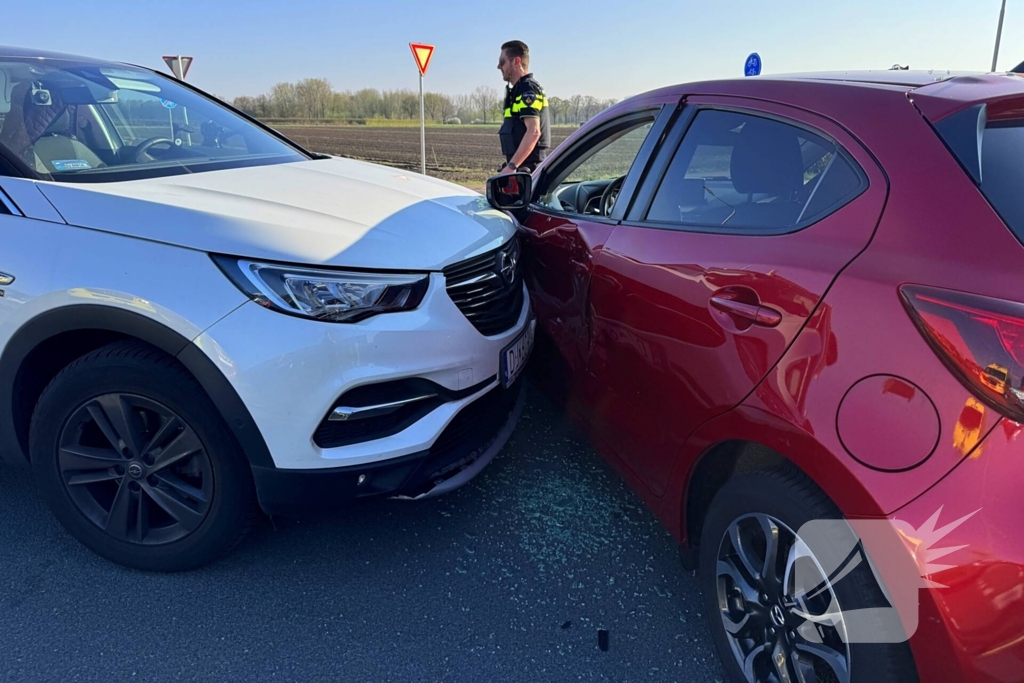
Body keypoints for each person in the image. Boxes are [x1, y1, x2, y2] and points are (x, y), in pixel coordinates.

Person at [496, 40, 551, 175]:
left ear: (517, 61)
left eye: (502, 62)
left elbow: (534, 131)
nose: (498, 67)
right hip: (521, 168)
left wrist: (511, 167)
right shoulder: (518, 89)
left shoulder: (527, 89)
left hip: (528, 170)